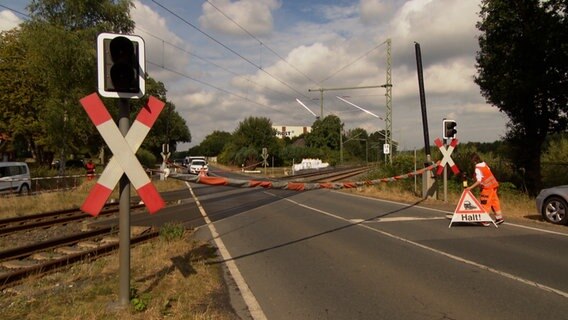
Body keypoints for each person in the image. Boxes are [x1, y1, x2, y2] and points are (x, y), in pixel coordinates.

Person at [466, 153, 504, 225]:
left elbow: (479, 181)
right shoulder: (484, 164)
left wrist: (470, 188)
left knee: (485, 203)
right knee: (494, 202)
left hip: (487, 188)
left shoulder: (478, 168)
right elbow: (486, 174)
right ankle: (499, 218)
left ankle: (484, 220)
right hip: (493, 185)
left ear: (474, 161)